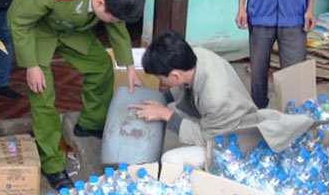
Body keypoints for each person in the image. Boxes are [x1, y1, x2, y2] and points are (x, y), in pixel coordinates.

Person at [8, 0, 145, 190]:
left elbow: (117, 25)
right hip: (39, 28)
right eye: (114, 17)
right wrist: (31, 65)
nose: (116, 22)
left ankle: (90, 123)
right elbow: (18, 19)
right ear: (100, 3)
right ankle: (52, 163)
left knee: (101, 66)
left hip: (71, 28)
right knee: (41, 90)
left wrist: (130, 67)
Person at [131, 31, 313, 168]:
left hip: (233, 139)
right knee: (168, 110)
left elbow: (208, 137)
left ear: (175, 75)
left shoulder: (216, 98)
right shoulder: (194, 56)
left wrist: (166, 115)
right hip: (216, 118)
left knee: (170, 160)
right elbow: (183, 88)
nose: (160, 82)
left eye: (161, 78)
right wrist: (161, 99)